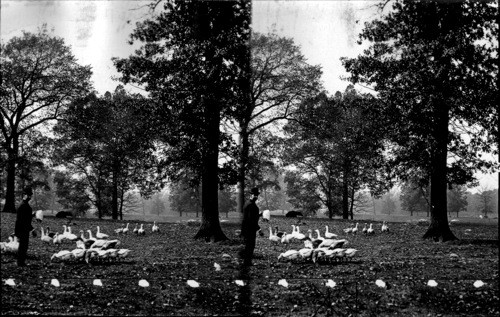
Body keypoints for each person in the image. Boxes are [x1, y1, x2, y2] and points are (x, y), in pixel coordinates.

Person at [240, 187, 263, 266]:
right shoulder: (251, 205)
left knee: (249, 245)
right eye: (254, 195)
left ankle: (247, 261)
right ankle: (247, 262)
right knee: (250, 245)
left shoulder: (248, 204)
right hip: (250, 229)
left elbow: (250, 217)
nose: (256, 197)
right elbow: (250, 220)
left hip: (247, 228)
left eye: (257, 195)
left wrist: (258, 215)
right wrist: (259, 229)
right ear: (251, 195)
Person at [14, 186, 35, 267]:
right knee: (23, 246)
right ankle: (20, 262)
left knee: (23, 245)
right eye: (29, 195)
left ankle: (21, 262)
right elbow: (24, 220)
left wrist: (32, 215)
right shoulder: (24, 206)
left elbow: (25, 217)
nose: (30, 197)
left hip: (21, 228)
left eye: (30, 195)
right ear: (25, 195)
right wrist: (32, 230)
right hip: (23, 229)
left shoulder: (23, 204)